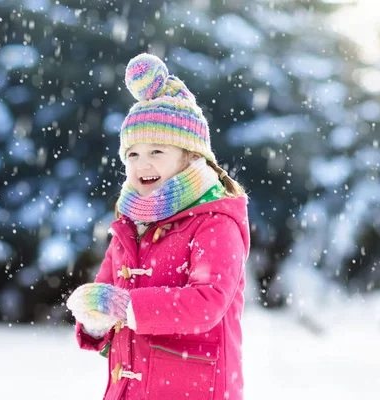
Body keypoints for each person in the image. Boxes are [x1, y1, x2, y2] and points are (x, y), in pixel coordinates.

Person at [66, 53, 250, 400]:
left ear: (190, 156)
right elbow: (109, 294)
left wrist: (127, 306)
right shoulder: (129, 225)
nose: (142, 163)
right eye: (132, 154)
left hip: (193, 389)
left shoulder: (215, 222)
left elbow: (207, 302)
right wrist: (95, 314)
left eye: (157, 151)